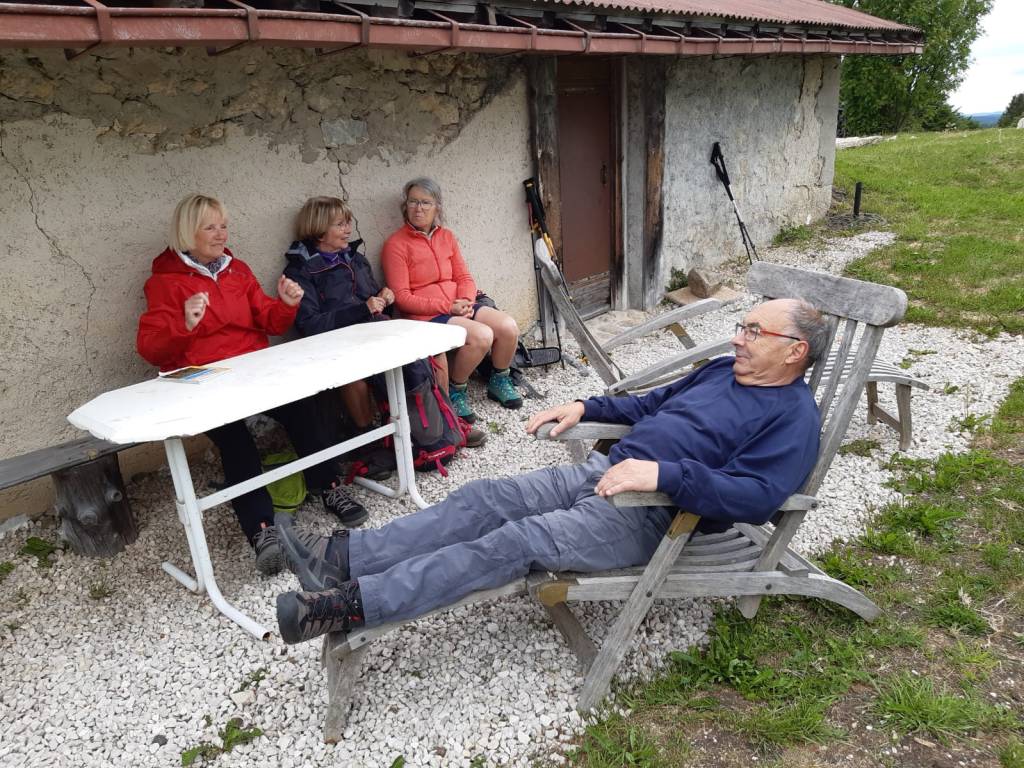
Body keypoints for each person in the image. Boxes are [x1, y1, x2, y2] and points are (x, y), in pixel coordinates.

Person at [273, 298, 831, 643]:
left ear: (794, 352)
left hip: (655, 513)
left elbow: (756, 497)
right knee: (483, 499)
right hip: (607, 470)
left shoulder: (793, 419)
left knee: (514, 542)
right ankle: (343, 559)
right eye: (742, 325)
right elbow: (649, 404)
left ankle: (348, 606)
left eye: (754, 331)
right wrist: (587, 406)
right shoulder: (721, 371)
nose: (737, 337)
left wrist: (666, 478)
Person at [136, 193, 369, 576]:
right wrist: (183, 324)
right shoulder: (164, 282)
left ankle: (327, 485)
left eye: (223, 226)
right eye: (210, 227)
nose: (221, 234)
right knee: (235, 441)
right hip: (204, 383)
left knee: (304, 408)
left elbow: (268, 321)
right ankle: (261, 530)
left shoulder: (237, 270)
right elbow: (149, 349)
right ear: (187, 233)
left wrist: (286, 304)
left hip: (252, 374)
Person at [282, 196, 485, 464]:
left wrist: (384, 297)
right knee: (354, 373)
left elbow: (372, 302)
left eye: (348, 223)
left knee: (431, 354)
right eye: (340, 224)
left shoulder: (354, 259)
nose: (348, 230)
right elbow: (310, 325)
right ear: (319, 229)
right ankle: (370, 440)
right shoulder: (301, 271)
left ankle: (443, 420)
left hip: (374, 332)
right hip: (336, 342)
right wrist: (363, 309)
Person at [381, 177, 523, 423]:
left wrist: (466, 301)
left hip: (457, 306)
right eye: (413, 201)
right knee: (482, 336)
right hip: (426, 315)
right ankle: (457, 392)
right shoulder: (396, 245)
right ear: (405, 206)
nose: (418, 208)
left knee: (508, 326)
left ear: (437, 206)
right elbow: (402, 299)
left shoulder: (446, 237)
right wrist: (448, 307)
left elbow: (464, 277)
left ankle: (499, 380)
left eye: (426, 202)